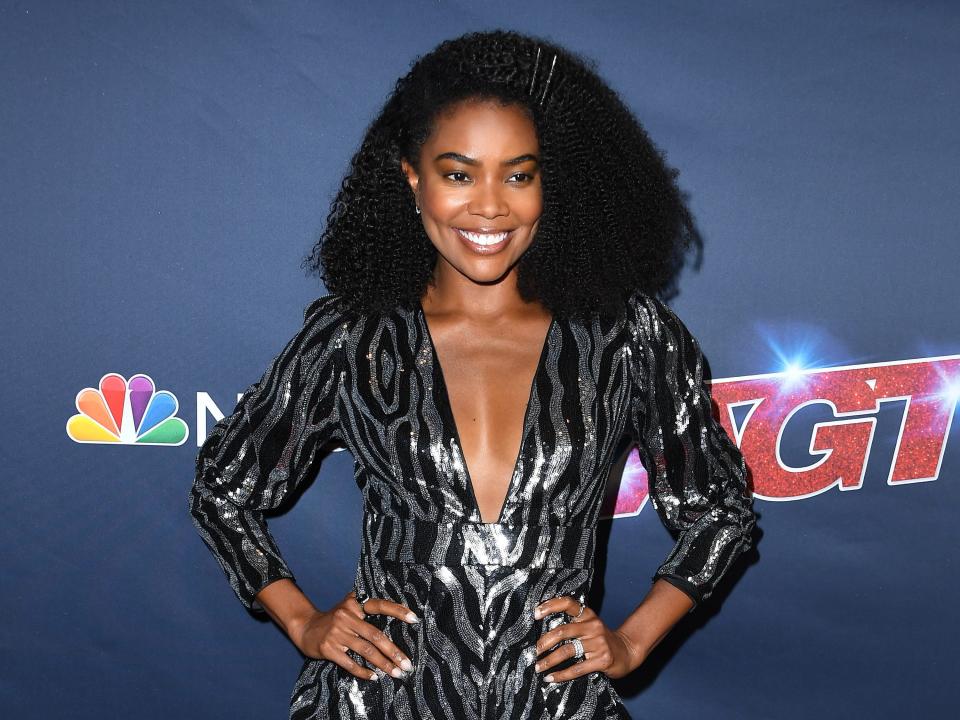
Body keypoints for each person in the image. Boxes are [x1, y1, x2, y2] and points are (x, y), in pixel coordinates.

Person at [189, 29, 757, 720]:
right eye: (459, 173)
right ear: (411, 177)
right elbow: (223, 489)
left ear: (552, 183)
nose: (490, 205)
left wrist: (632, 643)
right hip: (379, 705)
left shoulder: (624, 337)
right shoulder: (352, 337)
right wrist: (303, 620)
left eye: (519, 174)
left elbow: (720, 510)